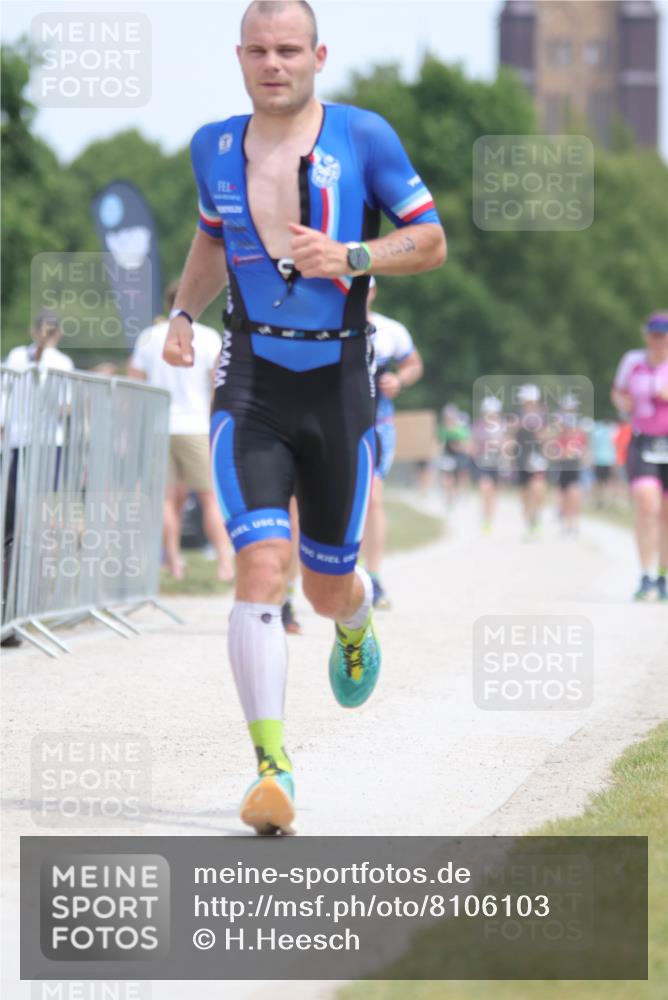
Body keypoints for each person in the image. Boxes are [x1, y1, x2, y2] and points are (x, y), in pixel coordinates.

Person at [162, 0, 446, 835]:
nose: (273, 64)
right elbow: (212, 238)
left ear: (318, 56)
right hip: (251, 379)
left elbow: (430, 240)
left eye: (289, 49)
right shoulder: (213, 146)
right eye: (259, 50)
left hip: (338, 386)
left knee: (324, 587)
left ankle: (354, 618)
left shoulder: (364, 136)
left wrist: (353, 255)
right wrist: (181, 314)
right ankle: (271, 769)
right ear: (239, 57)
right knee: (260, 564)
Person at [128, 282, 234, 582]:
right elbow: (219, 382)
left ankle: (173, 562)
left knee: (165, 499)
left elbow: (134, 382)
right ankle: (224, 563)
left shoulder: (149, 337)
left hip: (158, 426)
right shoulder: (208, 336)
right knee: (210, 497)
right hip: (195, 425)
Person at [361, 278, 423, 608]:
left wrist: (399, 380)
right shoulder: (325, 325)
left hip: (377, 425)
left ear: (372, 291)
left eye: (364, 287)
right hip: (335, 423)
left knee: (372, 497)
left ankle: (373, 577)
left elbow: (414, 364)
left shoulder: (390, 331)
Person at [611, 311, 668, 602]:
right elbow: (618, 392)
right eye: (654, 335)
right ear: (646, 335)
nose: (659, 341)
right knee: (647, 504)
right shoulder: (632, 361)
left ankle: (663, 576)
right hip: (644, 441)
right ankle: (645, 575)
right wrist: (624, 403)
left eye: (664, 336)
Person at [512, 383, 549, 539]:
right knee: (525, 493)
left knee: (538, 487)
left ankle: (536, 516)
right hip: (521, 458)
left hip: (537, 458)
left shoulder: (543, 416)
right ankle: (529, 523)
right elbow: (511, 435)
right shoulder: (516, 416)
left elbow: (547, 435)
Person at [550, 394, 589, 536]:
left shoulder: (580, 427)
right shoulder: (558, 427)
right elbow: (553, 449)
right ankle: (567, 523)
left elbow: (584, 447)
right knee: (564, 495)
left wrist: (583, 456)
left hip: (575, 465)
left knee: (575, 494)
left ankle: (574, 523)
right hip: (562, 465)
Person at [471, 396, 505, 534]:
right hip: (483, 463)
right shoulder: (478, 426)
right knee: (485, 488)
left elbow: (508, 444)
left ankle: (490, 516)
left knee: (494, 493)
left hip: (497, 463)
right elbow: (472, 443)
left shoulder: (502, 426)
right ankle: (486, 519)